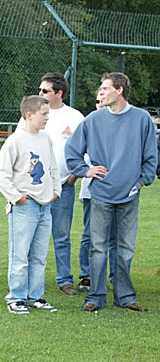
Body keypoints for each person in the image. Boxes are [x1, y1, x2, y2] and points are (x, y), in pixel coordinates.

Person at [66, 72, 157, 312]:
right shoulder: (93, 120)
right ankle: (95, 297)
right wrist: (86, 170)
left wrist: (141, 182)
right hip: (101, 195)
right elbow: (72, 151)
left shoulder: (142, 119)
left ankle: (125, 297)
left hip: (130, 195)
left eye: (105, 88)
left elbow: (151, 156)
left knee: (126, 248)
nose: (101, 92)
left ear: (119, 90)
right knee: (98, 247)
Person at [0, 96, 61, 314]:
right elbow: (0, 173)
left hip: (45, 206)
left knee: (39, 255)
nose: (47, 118)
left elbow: (53, 167)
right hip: (25, 207)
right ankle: (16, 297)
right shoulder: (15, 140)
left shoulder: (46, 138)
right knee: (20, 255)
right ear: (29, 115)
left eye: (48, 114)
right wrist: (16, 197)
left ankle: (35, 296)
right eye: (44, 114)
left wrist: (56, 190)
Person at [18, 73, 84, 297]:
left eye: (45, 91)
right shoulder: (31, 115)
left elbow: (85, 149)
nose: (40, 93)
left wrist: (72, 177)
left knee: (61, 236)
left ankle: (64, 280)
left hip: (63, 187)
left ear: (59, 93)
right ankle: (23, 280)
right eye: (39, 90)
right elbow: (19, 146)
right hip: (33, 189)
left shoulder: (75, 117)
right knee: (28, 236)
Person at [77, 95, 116, 292]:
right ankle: (87, 275)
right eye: (98, 102)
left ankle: (116, 277)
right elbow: (76, 154)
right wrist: (84, 171)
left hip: (116, 191)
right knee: (90, 234)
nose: (101, 105)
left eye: (104, 101)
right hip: (91, 191)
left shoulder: (119, 126)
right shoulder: (88, 125)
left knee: (114, 236)